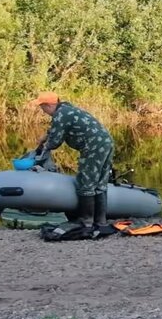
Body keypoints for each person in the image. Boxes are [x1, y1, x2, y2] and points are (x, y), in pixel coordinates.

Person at [28, 91, 115, 229]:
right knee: (100, 182)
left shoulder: (61, 114)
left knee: (86, 181)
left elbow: (55, 141)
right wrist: (45, 137)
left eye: (42, 107)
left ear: (49, 105)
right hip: (106, 142)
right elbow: (56, 129)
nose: (42, 111)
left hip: (93, 146)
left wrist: (42, 149)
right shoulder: (67, 110)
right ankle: (100, 221)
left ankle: (86, 221)